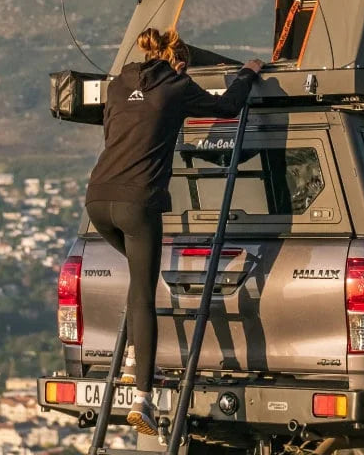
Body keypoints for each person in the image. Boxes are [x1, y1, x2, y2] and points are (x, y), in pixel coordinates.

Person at [85, 28, 263, 436]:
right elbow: (229, 107)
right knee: (144, 294)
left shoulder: (117, 85)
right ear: (179, 61)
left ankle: (133, 358)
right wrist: (248, 73)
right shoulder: (178, 86)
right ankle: (143, 398)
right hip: (138, 203)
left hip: (98, 199)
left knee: (136, 281)